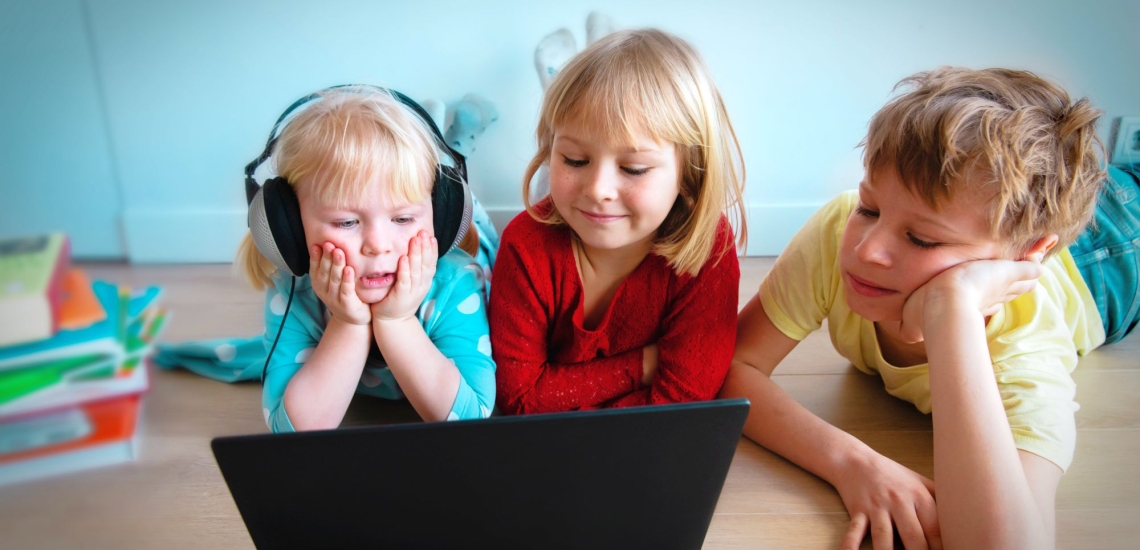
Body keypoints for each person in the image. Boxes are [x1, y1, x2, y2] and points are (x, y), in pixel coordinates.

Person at [721, 67, 1140, 549]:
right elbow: (733, 366)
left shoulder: (1026, 348)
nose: (866, 250)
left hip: (1111, 260)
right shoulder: (839, 228)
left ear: (1022, 256)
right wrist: (853, 463)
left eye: (922, 239)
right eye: (869, 208)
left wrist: (953, 311)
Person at [156, 86, 499, 431]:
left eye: (403, 219)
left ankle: (455, 145)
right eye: (346, 222)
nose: (378, 246)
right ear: (287, 225)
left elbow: (471, 418)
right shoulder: (294, 293)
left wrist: (398, 322)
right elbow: (290, 430)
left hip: (466, 243)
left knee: (466, 206)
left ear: (438, 215)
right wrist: (347, 324)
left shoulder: (456, 282)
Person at [489, 28, 747, 414]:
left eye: (634, 168)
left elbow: (682, 405)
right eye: (574, 160)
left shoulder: (708, 249)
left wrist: (563, 388)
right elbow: (517, 400)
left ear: (689, 172)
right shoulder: (525, 245)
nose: (598, 189)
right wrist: (643, 365)